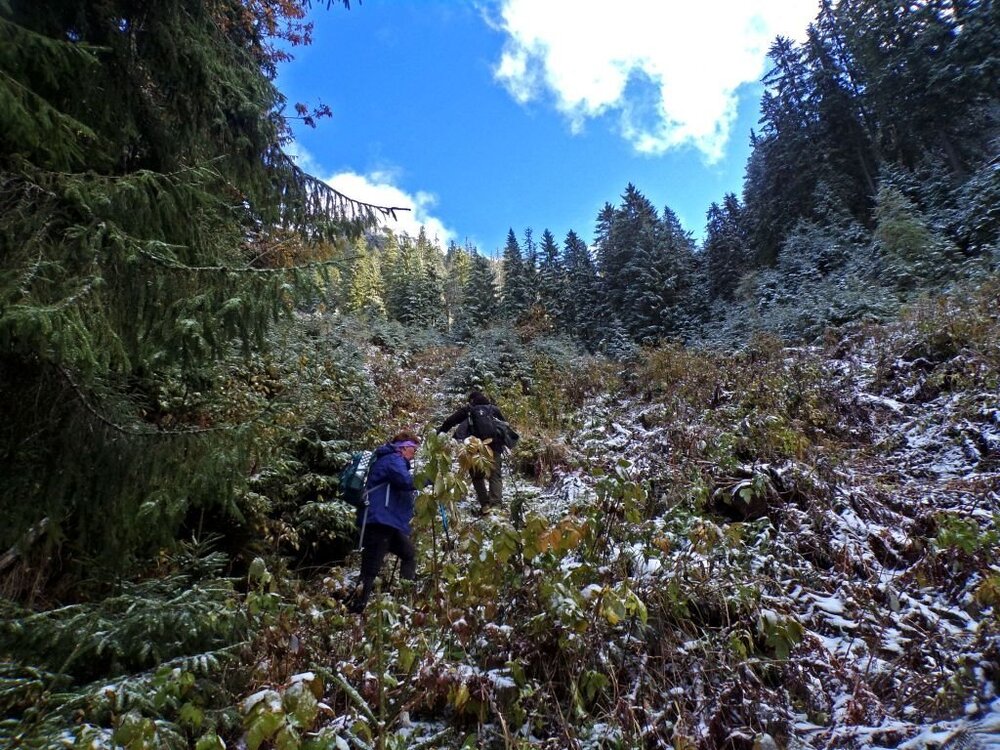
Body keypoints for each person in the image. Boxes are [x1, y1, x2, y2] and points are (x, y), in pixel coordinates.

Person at [349, 430, 421, 614]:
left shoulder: (393, 460)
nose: (414, 454)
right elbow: (405, 481)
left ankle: (404, 600)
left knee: (409, 554)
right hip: (379, 520)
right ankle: (355, 608)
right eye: (413, 449)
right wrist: (426, 479)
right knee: (371, 568)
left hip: (388, 522)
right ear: (404, 447)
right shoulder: (393, 459)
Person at [437, 391, 509, 511]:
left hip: (474, 447)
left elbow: (450, 421)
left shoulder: (468, 410)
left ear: (471, 400)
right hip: (494, 446)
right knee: (495, 476)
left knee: (477, 477)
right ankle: (496, 505)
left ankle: (485, 505)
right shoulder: (493, 409)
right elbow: (504, 426)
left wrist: (440, 432)